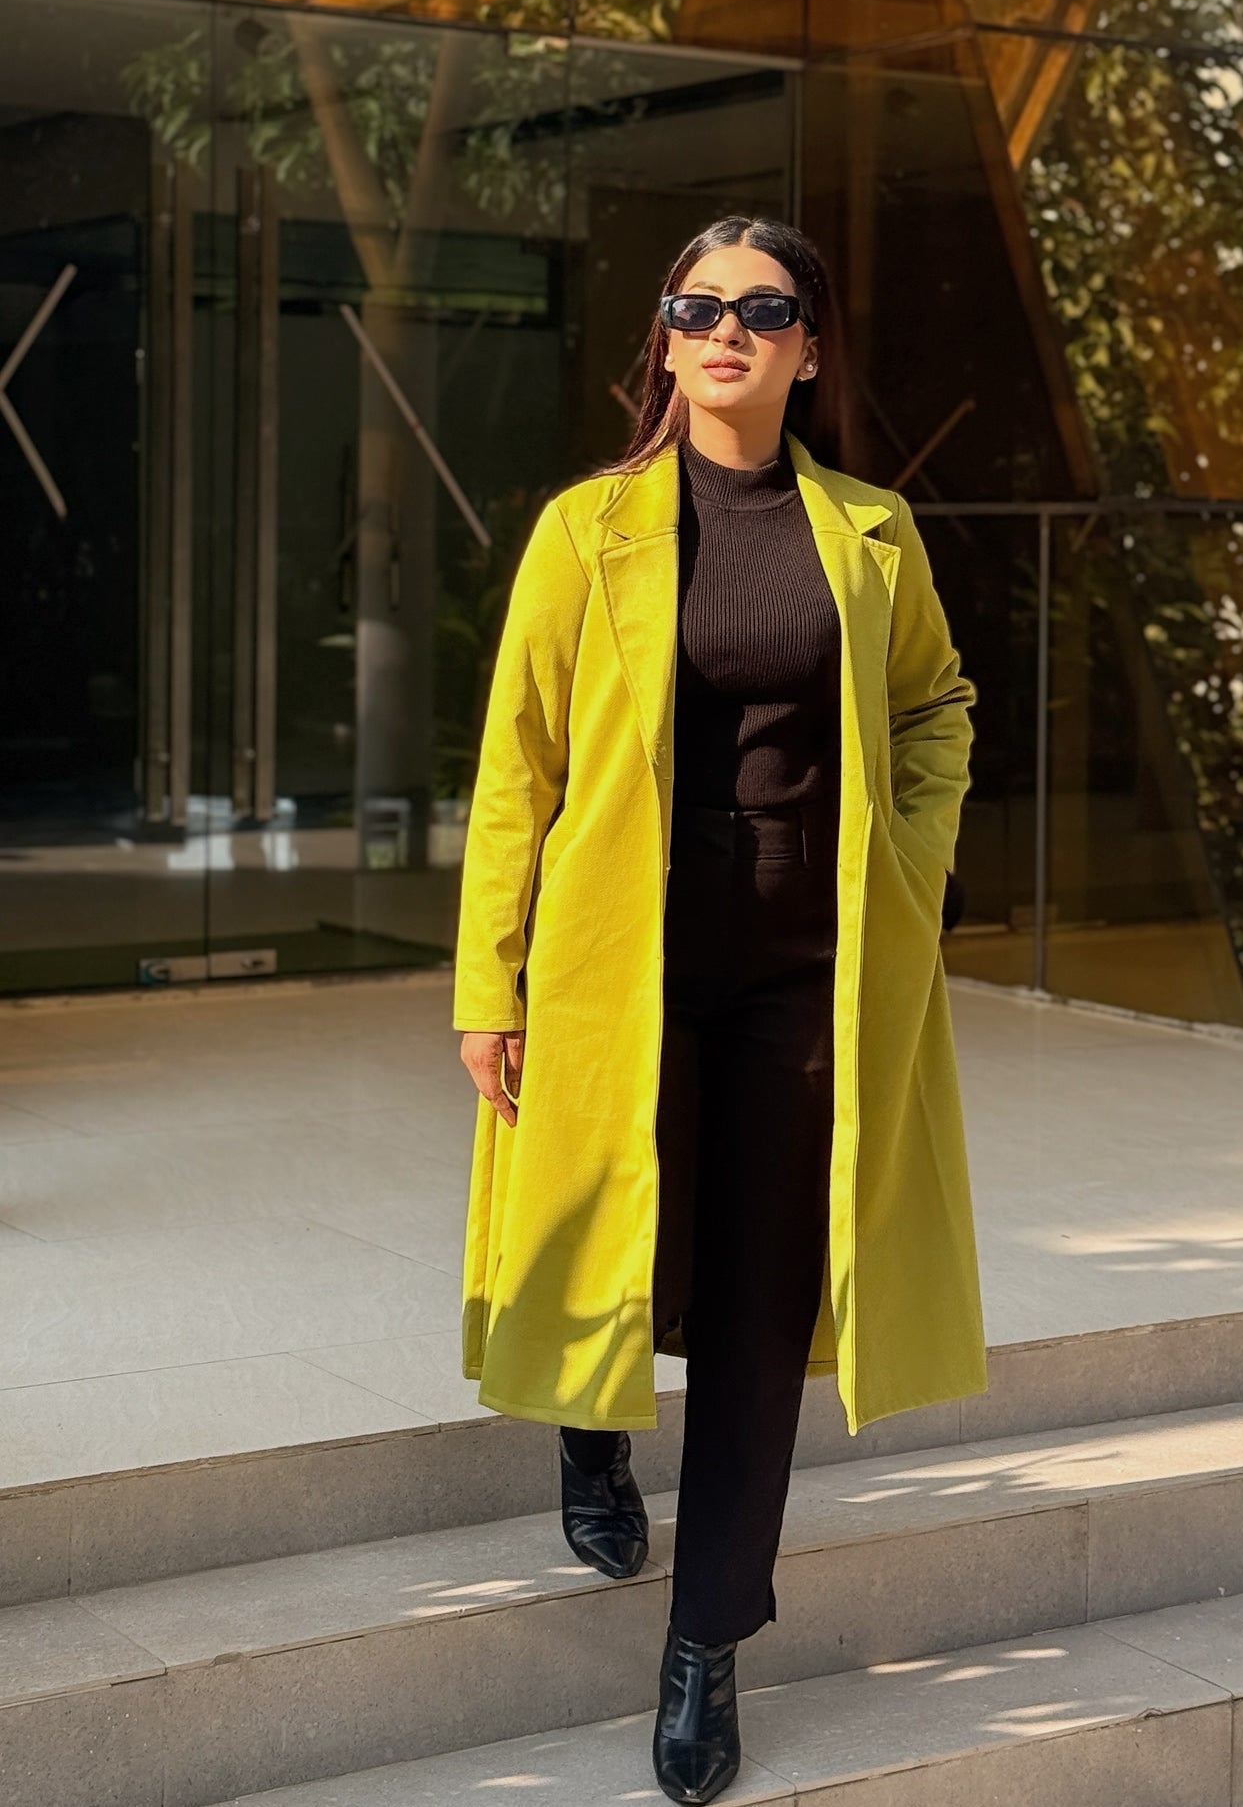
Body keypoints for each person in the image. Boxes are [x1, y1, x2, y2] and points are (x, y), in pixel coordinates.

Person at [455, 214, 987, 1806]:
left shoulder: (874, 531)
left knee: (759, 1298)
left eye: (767, 308)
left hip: (801, 965)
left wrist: (910, 855)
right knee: (628, 1233)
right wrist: (492, 975)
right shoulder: (587, 529)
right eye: (701, 306)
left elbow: (937, 707)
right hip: (621, 954)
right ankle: (588, 1424)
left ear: (809, 347)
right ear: (669, 343)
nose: (729, 329)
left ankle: (706, 1642)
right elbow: (515, 771)